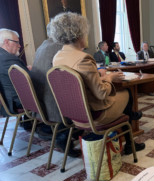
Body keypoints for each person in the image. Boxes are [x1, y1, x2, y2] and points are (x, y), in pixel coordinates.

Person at [50, 12, 145, 154]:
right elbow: (101, 93)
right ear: (79, 34)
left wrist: (99, 77)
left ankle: (131, 119)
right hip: (94, 116)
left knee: (124, 100)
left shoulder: (57, 57)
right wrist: (110, 77)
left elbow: (79, 84)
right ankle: (130, 140)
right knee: (126, 93)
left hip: (72, 116)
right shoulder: (83, 58)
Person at [30, 23, 81, 157]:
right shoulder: (61, 48)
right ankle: (65, 136)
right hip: (55, 104)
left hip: (41, 102)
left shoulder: (42, 46)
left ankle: (73, 132)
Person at [0, 29, 31, 123]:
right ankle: (53, 128)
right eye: (16, 42)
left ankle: (30, 122)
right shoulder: (8, 59)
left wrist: (25, 69)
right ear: (6, 42)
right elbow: (30, 81)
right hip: (17, 102)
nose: (19, 45)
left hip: (8, 100)